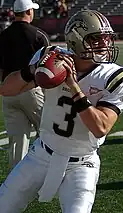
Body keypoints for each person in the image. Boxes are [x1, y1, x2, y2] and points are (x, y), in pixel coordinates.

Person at [0, 10, 123, 213]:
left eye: (107, 39)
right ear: (77, 40)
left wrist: (73, 85)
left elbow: (101, 127)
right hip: (41, 154)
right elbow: (6, 89)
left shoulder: (116, 77)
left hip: (82, 164)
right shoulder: (52, 57)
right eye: (96, 39)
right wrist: (35, 69)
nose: (104, 45)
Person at [0, 0, 50, 170]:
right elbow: (47, 68)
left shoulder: (3, 35)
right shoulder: (38, 35)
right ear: (29, 11)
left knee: (17, 143)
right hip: (31, 90)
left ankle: (16, 183)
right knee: (48, 133)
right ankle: (49, 172)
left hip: (8, 92)